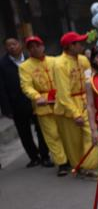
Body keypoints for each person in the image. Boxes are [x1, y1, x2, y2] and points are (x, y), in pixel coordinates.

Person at [53, 32, 98, 175]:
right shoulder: (60, 64)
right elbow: (62, 93)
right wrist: (75, 113)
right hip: (68, 107)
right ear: (70, 46)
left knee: (90, 133)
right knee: (73, 142)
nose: (82, 45)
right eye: (79, 43)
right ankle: (79, 167)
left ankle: (89, 165)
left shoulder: (83, 60)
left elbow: (90, 80)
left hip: (85, 103)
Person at [1, 37, 51, 167]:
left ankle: (45, 155)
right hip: (16, 104)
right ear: (5, 48)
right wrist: (6, 109)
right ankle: (34, 157)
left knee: (41, 129)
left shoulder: (32, 59)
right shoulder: (2, 64)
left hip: (35, 100)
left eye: (14, 44)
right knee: (24, 132)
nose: (12, 47)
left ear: (20, 45)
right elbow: (2, 88)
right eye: (8, 45)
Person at [18, 36, 65, 172]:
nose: (35, 49)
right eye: (31, 47)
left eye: (37, 45)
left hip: (60, 101)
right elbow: (26, 85)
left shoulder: (55, 61)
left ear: (43, 46)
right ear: (28, 50)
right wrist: (36, 96)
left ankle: (70, 159)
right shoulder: (24, 67)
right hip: (43, 104)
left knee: (65, 132)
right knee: (52, 135)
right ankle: (61, 163)